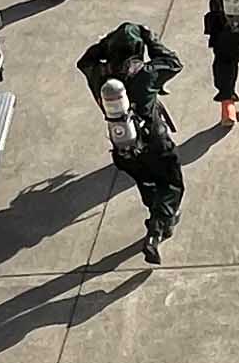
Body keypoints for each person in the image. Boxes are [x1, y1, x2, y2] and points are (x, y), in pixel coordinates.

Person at [79, 20, 185, 262]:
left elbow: (83, 62)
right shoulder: (145, 74)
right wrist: (151, 39)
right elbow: (174, 63)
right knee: (170, 183)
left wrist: (104, 45)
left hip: (123, 148)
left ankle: (160, 217)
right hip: (155, 143)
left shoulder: (100, 76)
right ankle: (155, 231)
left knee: (146, 181)